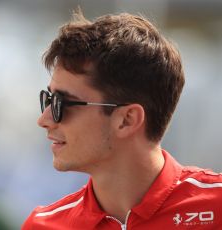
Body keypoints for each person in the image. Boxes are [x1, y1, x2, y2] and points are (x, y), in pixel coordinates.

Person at [22, 9, 222, 229]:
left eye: (62, 103)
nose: (44, 119)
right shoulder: (43, 225)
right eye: (48, 99)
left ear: (127, 119)